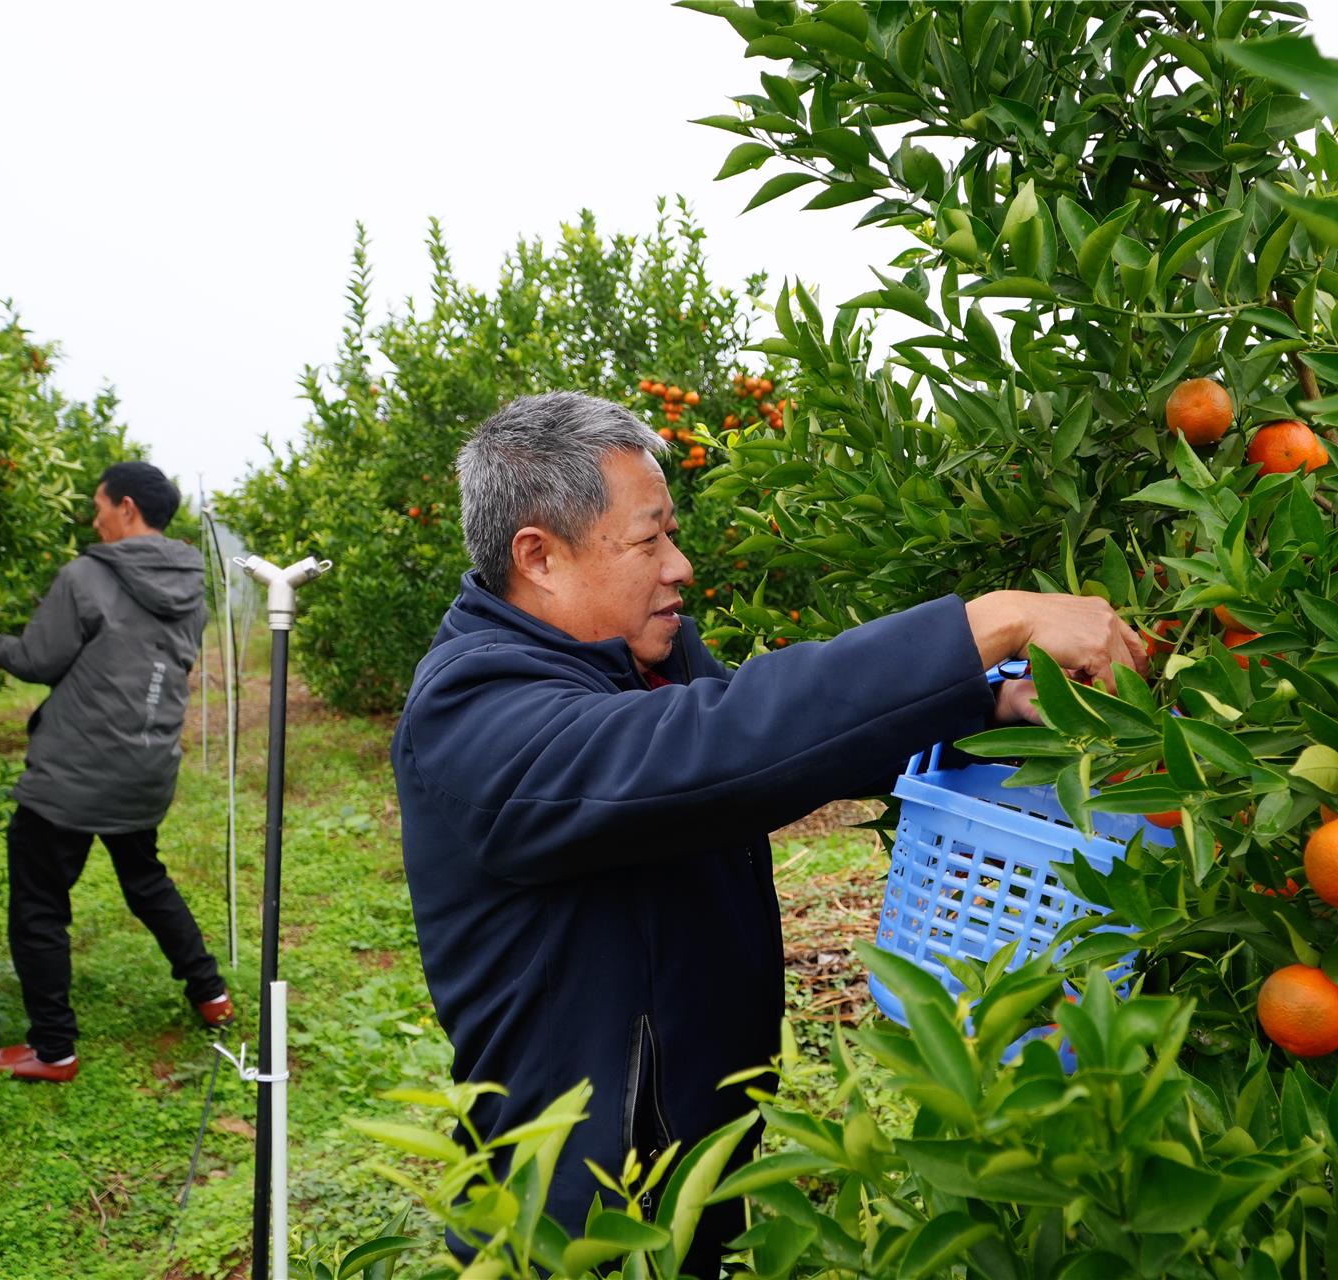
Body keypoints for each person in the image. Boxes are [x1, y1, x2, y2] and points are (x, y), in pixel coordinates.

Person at [393, 392, 1143, 1272]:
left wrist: (985, 704)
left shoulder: (641, 660)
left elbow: (786, 742)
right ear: (540, 556)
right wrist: (985, 625)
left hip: (692, 1163)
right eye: (649, 541)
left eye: (672, 534)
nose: (680, 566)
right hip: (575, 1213)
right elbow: (713, 749)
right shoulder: (472, 710)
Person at [0, 461, 232, 1083]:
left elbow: (38, 659)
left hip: (74, 770)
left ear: (128, 508)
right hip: (145, 762)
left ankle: (53, 1049)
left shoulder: (86, 576)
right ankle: (209, 992)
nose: (94, 519)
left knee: (38, 903)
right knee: (145, 877)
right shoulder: (192, 583)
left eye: (99, 506)